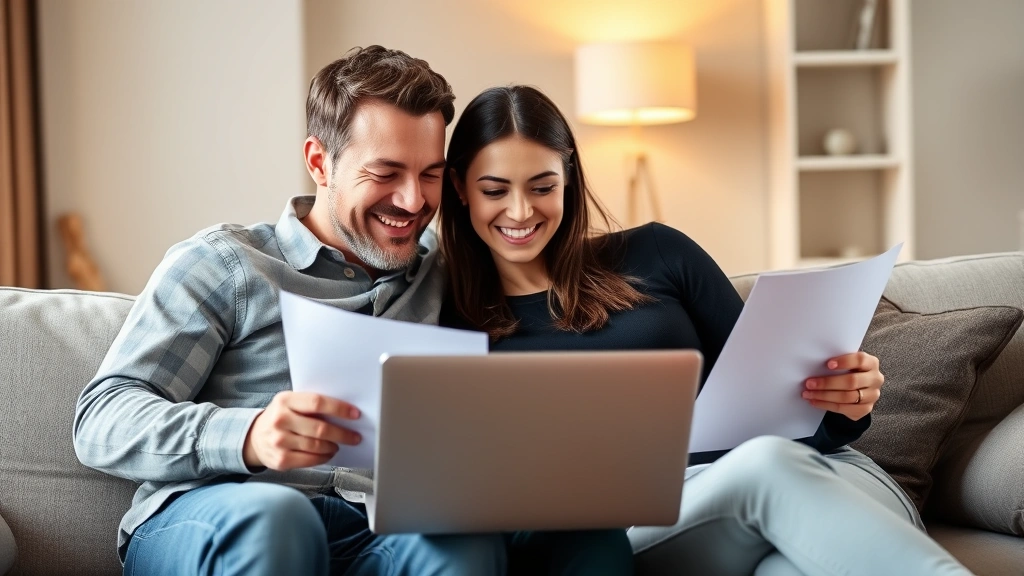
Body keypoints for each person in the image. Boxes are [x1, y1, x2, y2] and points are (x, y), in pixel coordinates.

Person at [74, 46, 619, 576]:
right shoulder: (229, 264)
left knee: (463, 544)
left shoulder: (445, 277)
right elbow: (103, 418)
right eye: (385, 173)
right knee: (278, 519)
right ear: (319, 162)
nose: (413, 202)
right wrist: (250, 434)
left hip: (375, 530)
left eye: (430, 174)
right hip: (223, 512)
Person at [437, 85, 973, 576]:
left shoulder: (657, 252)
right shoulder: (452, 324)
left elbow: (775, 400)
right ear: (460, 188)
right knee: (764, 465)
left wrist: (844, 403)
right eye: (495, 190)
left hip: (828, 477)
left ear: (569, 178)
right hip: (663, 520)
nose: (520, 210)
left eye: (542, 186)